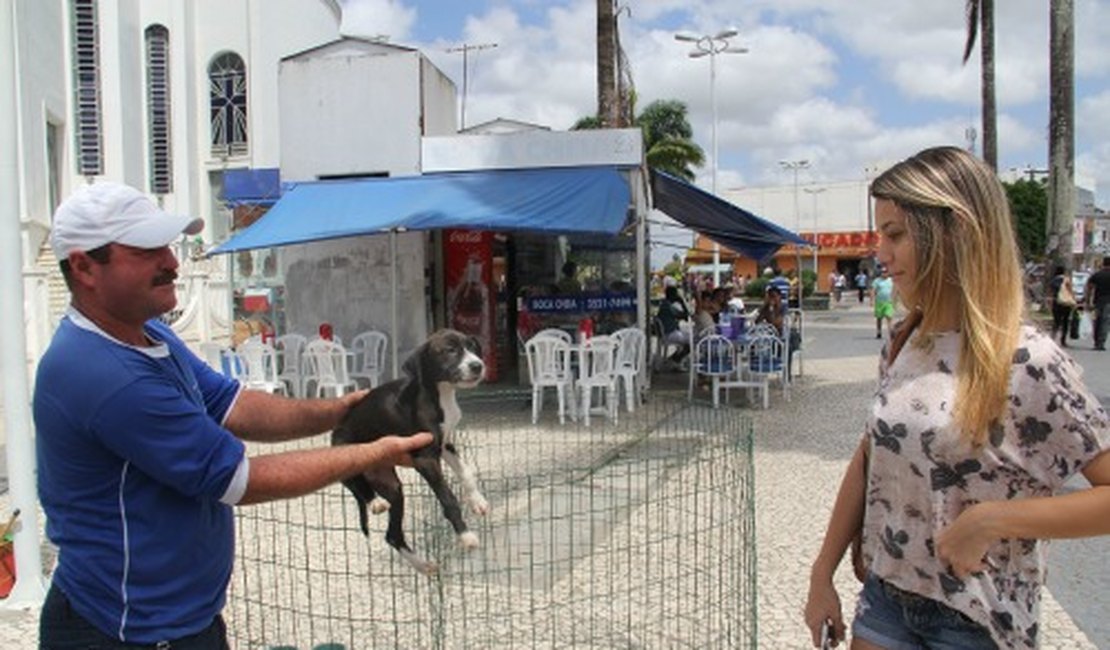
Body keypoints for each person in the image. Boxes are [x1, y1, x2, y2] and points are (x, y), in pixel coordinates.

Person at [33, 182, 432, 648]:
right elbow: (239, 480)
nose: (172, 262)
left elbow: (234, 405)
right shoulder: (100, 372)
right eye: (146, 250)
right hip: (124, 629)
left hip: (181, 619)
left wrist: (344, 410)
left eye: (166, 245)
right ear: (84, 267)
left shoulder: (148, 336)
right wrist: (372, 452)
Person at [803, 147, 1108, 650]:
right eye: (880, 235)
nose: (881, 254)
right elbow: (868, 457)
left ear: (953, 232)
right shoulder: (906, 338)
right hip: (885, 597)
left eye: (896, 235)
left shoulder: (1028, 360)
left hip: (978, 617)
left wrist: (992, 521)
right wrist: (822, 574)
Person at [656, 284, 691, 366]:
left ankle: (674, 358)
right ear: (673, 295)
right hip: (669, 334)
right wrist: (681, 301)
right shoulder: (668, 306)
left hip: (667, 332)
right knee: (692, 340)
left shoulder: (665, 304)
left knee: (688, 336)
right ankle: (676, 360)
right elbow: (685, 315)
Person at [1047, 264, 1076, 347]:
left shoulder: (1052, 281)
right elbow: (1071, 291)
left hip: (1056, 303)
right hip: (1066, 303)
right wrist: (1074, 300)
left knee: (1056, 321)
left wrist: (1049, 302)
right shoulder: (1066, 280)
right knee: (1065, 322)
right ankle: (1063, 340)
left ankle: (1052, 338)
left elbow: (1050, 293)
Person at [1086, 256, 1110, 350]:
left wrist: (1087, 301)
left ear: (1103, 264)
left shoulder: (1097, 275)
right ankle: (1101, 342)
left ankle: (1096, 342)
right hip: (1108, 302)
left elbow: (1089, 288)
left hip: (1097, 302)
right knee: (1105, 322)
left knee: (1097, 321)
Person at [870, 266, 896, 339]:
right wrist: (872, 300)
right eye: (883, 272)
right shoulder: (877, 281)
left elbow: (895, 290)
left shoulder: (891, 280)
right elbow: (873, 290)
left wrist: (896, 300)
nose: (884, 273)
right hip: (879, 302)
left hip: (889, 302)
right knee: (879, 318)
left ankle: (891, 332)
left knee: (889, 317)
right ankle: (879, 331)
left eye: (885, 272)